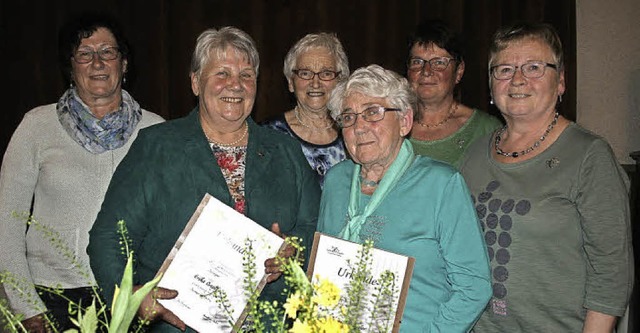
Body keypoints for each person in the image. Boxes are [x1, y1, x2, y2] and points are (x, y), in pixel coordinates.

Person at [87, 26, 320, 332]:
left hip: (270, 323)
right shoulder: (157, 147)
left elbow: (314, 228)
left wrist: (293, 251)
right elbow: (108, 238)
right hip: (179, 325)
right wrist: (131, 299)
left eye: (246, 75)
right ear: (196, 82)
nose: (235, 85)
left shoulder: (285, 150)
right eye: (222, 73)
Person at [461, 22, 632, 332]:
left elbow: (611, 271)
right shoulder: (473, 155)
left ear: (561, 81)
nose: (517, 79)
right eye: (504, 69)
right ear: (490, 85)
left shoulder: (589, 156)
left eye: (534, 67)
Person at [0, 13, 164, 332]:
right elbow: (6, 222)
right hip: (51, 302)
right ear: (71, 67)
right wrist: (26, 307)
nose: (97, 62)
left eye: (108, 52)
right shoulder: (36, 127)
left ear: (124, 63)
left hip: (131, 298)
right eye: (85, 54)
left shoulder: (156, 130)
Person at [318, 64, 492, 332]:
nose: (359, 127)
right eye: (349, 117)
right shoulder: (336, 180)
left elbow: (473, 287)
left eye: (373, 113)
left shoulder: (441, 185)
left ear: (405, 121)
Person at [406, 20, 502, 168]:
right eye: (417, 62)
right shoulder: (391, 125)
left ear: (459, 71)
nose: (426, 71)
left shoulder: (486, 130)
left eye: (439, 62)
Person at [263, 33, 349, 187]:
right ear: (290, 81)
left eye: (326, 73)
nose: (315, 83)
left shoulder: (354, 134)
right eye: (305, 73)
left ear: (340, 81)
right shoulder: (268, 135)